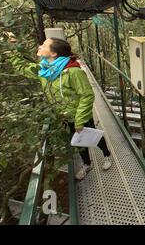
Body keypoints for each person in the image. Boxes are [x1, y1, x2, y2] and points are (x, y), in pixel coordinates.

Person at [6, 34, 111, 180]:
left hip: (79, 114)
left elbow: (87, 96)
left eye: (43, 45)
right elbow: (22, 67)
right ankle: (87, 164)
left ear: (53, 53)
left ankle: (106, 154)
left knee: (91, 134)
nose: (40, 47)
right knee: (77, 141)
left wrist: (79, 120)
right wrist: (12, 47)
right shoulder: (45, 71)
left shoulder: (74, 71)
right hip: (63, 115)